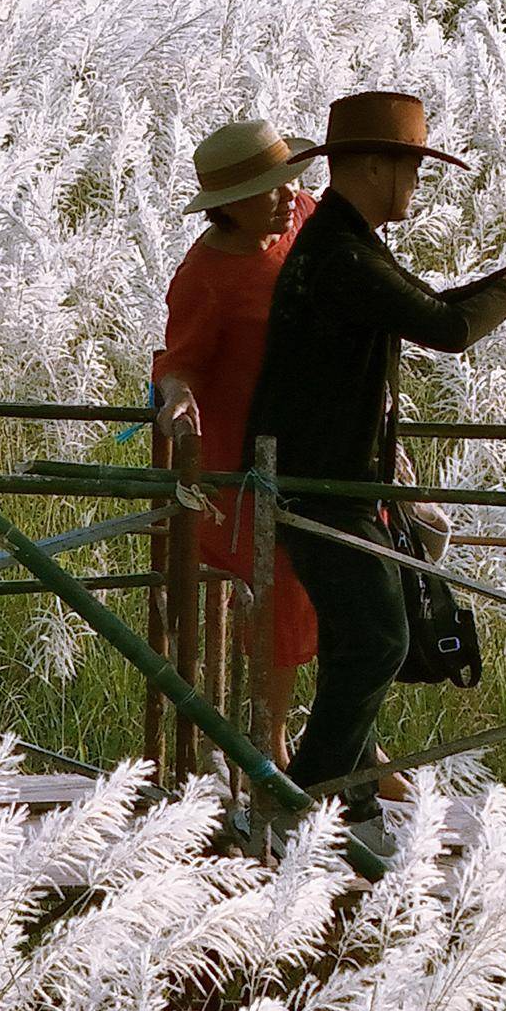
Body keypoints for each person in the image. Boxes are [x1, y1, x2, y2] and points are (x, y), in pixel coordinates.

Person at [249, 89, 506, 867]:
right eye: (411, 169)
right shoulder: (341, 252)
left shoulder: (344, 245)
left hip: (335, 479)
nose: (416, 186)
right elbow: (447, 329)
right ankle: (310, 802)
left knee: (371, 636)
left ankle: (339, 802)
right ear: (368, 166)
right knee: (377, 638)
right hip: (326, 482)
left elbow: (425, 310)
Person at [152, 119, 324, 770]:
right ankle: (271, 746)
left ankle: (352, 739)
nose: (286, 195)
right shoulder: (206, 274)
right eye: (267, 188)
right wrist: (177, 399)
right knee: (276, 594)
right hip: (248, 452)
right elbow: (181, 361)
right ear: (226, 205)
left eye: (288, 180)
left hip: (323, 438)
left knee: (358, 586)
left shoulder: (307, 218)